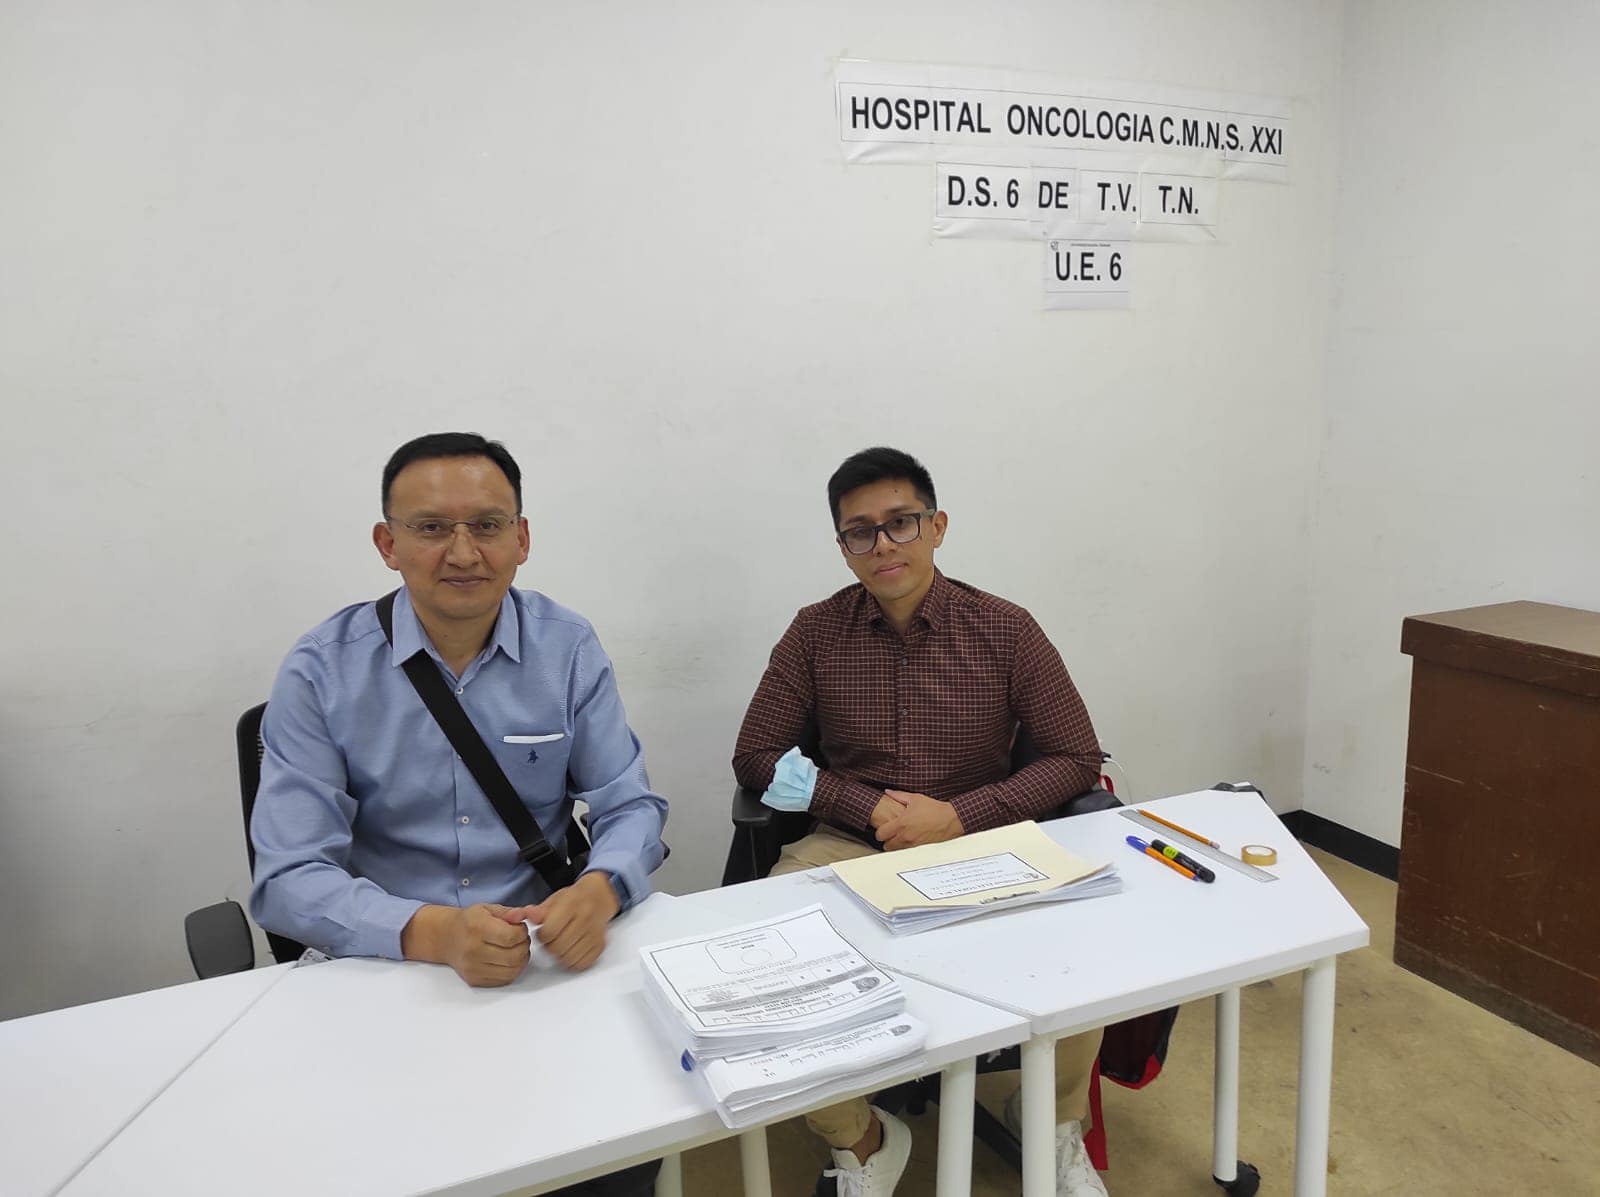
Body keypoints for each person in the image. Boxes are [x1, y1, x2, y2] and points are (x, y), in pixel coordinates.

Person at [250, 432, 667, 1195]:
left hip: (542, 959)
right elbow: (287, 877)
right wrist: (433, 931)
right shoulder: (321, 670)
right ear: (388, 544)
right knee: (388, 1161)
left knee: (617, 1143)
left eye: (487, 525)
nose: (464, 551)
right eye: (432, 527)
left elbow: (630, 804)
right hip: (387, 968)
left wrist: (600, 888)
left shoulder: (568, 647)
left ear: (522, 538)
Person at [732, 447, 1110, 1197]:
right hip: (852, 842)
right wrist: (863, 804)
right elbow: (757, 755)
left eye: (900, 522)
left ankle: (1053, 1119)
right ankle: (862, 1137)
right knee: (769, 959)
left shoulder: (1006, 628)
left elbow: (1076, 755)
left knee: (1081, 941)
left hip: (984, 839)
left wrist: (961, 815)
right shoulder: (815, 632)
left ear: (936, 527)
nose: (883, 544)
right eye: (860, 531)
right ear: (843, 546)